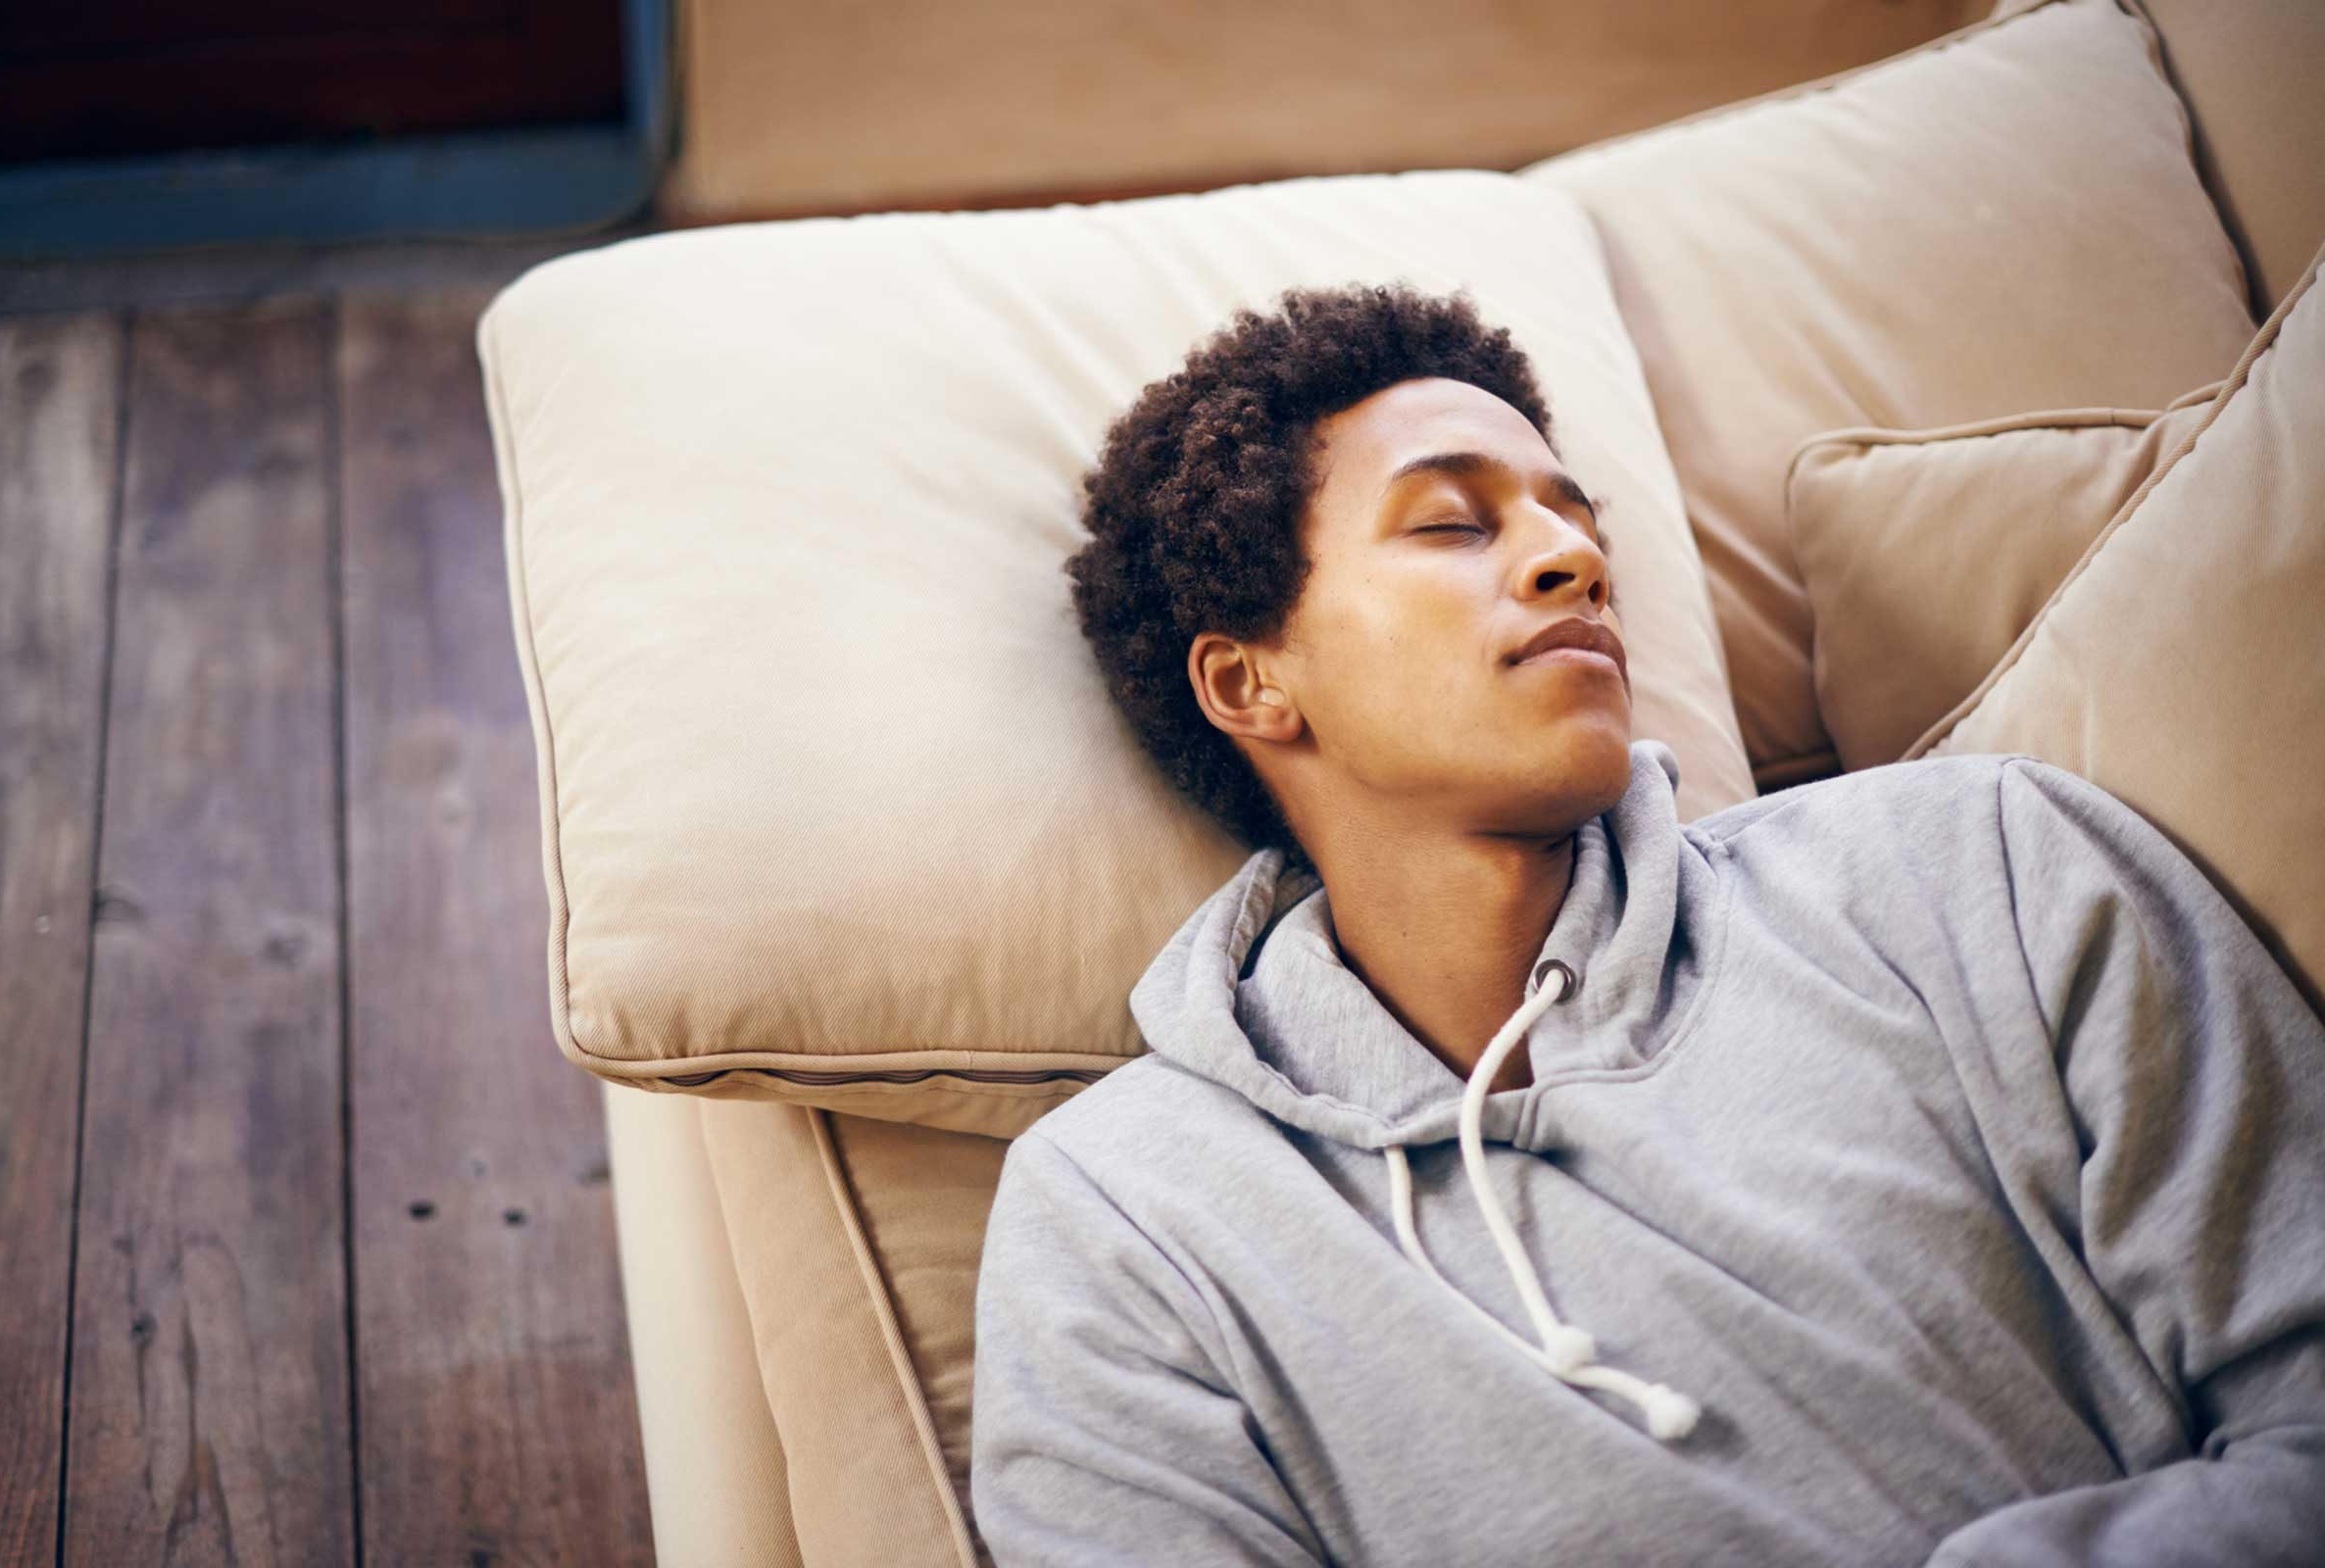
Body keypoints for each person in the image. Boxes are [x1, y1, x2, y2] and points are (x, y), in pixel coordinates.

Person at [966, 282, 2325, 1566]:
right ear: (1249, 680)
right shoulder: (1125, 1220)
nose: (1572, 558)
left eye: (1577, 519)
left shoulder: (1978, 868)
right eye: (1452, 523)